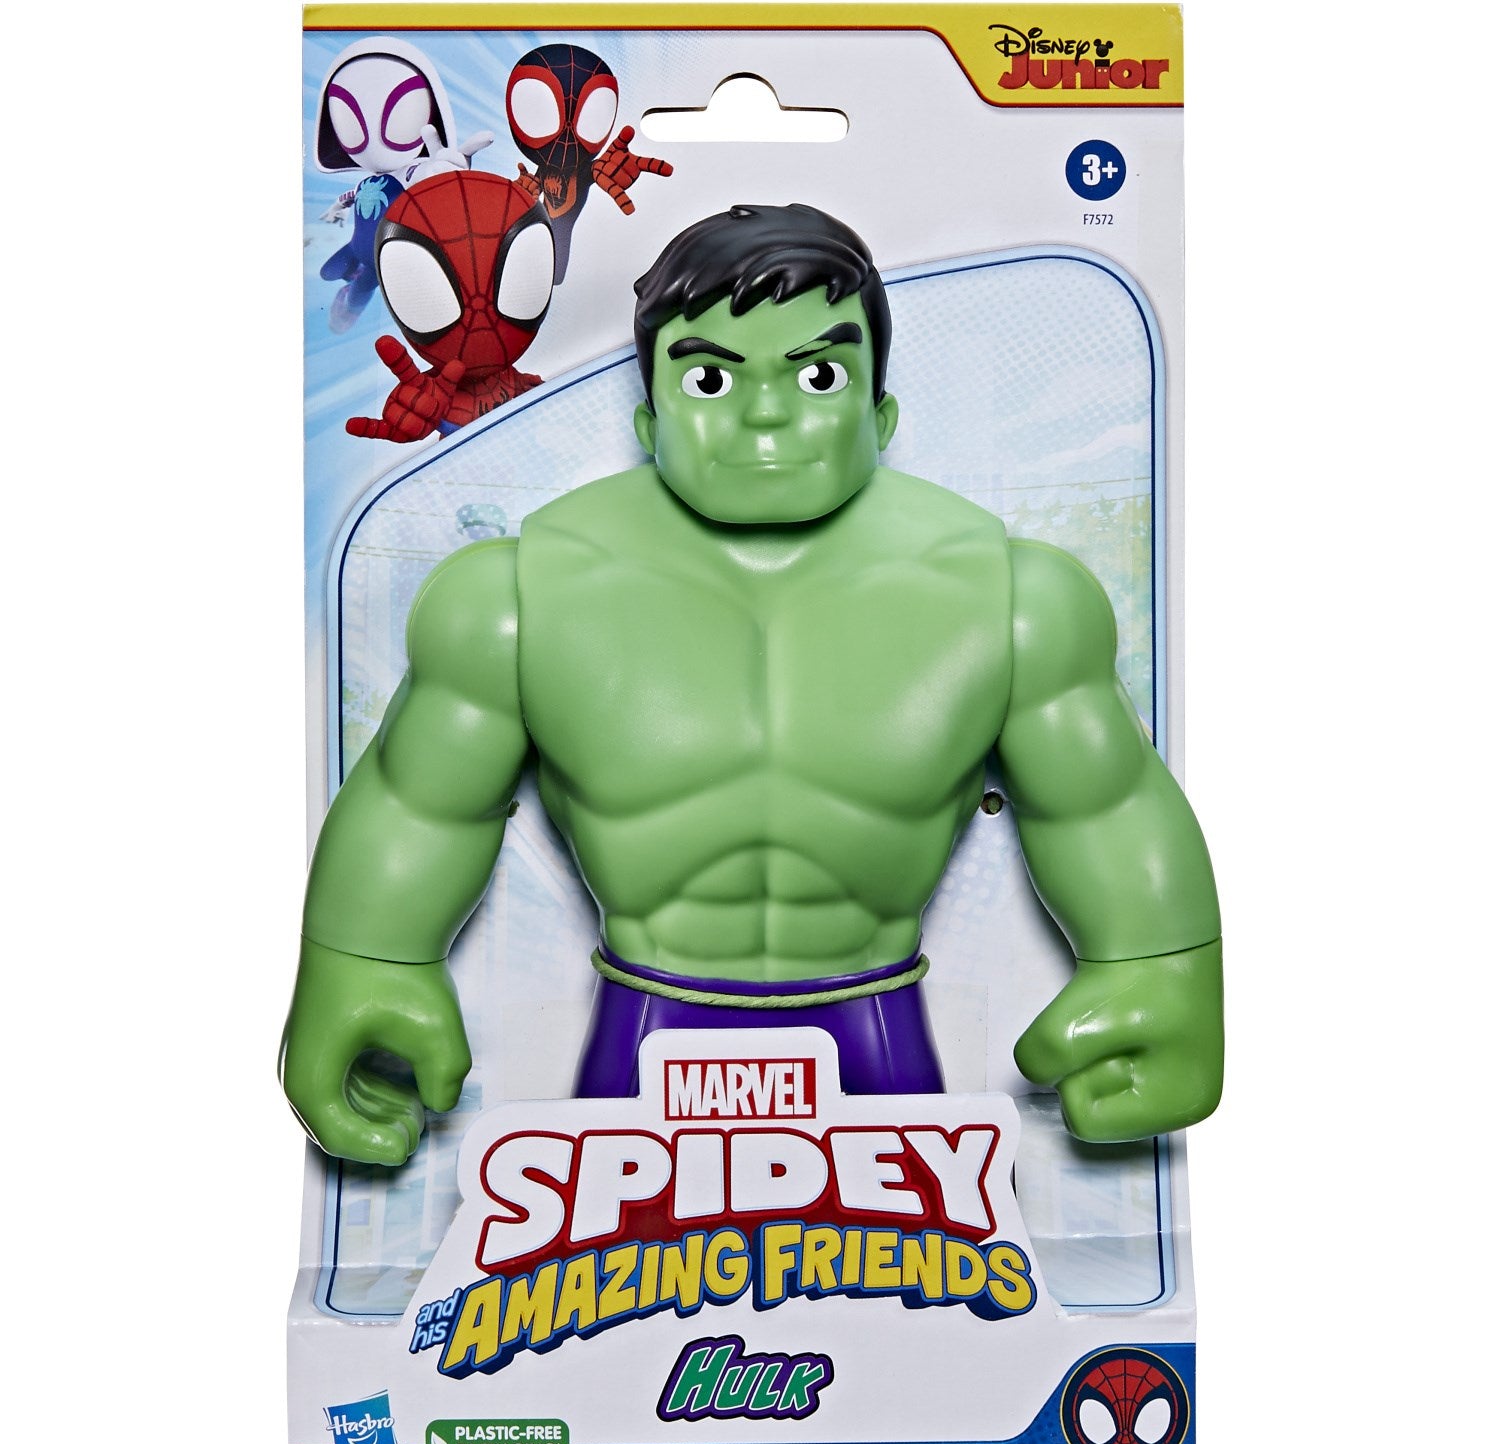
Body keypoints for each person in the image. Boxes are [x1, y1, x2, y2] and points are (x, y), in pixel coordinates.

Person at [281, 204, 1222, 1165]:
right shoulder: (516, 598)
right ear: (648, 417)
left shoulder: (1012, 599)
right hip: (648, 1023)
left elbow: (1104, 806)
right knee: (613, 1267)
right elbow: (421, 807)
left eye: (817, 375)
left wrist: (1159, 971)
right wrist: (367, 964)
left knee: (918, 1267)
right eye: (709, 377)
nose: (765, 413)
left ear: (882, 413)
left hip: (874, 1022)